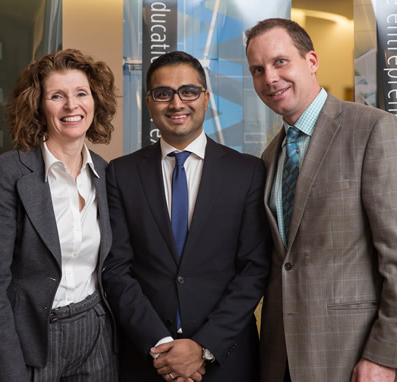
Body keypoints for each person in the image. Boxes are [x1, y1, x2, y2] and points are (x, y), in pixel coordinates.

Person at [245, 18, 397, 382]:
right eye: (258, 69)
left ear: (312, 61)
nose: (269, 78)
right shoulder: (270, 157)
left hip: (356, 359)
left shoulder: (374, 130)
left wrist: (385, 356)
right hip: (281, 360)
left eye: (280, 62)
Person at [102, 51, 271, 382]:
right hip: (147, 360)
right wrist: (163, 345)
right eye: (163, 94)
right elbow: (116, 269)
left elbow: (254, 269)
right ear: (148, 103)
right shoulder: (121, 174)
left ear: (206, 99)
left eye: (189, 91)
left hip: (226, 359)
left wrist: (203, 347)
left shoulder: (247, 172)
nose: (176, 103)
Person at [0, 49, 119, 381]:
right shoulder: (7, 172)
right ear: (38, 106)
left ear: (96, 100)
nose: (71, 106)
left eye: (81, 93)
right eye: (56, 96)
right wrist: (6, 368)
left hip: (95, 335)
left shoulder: (107, 174)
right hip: (32, 338)